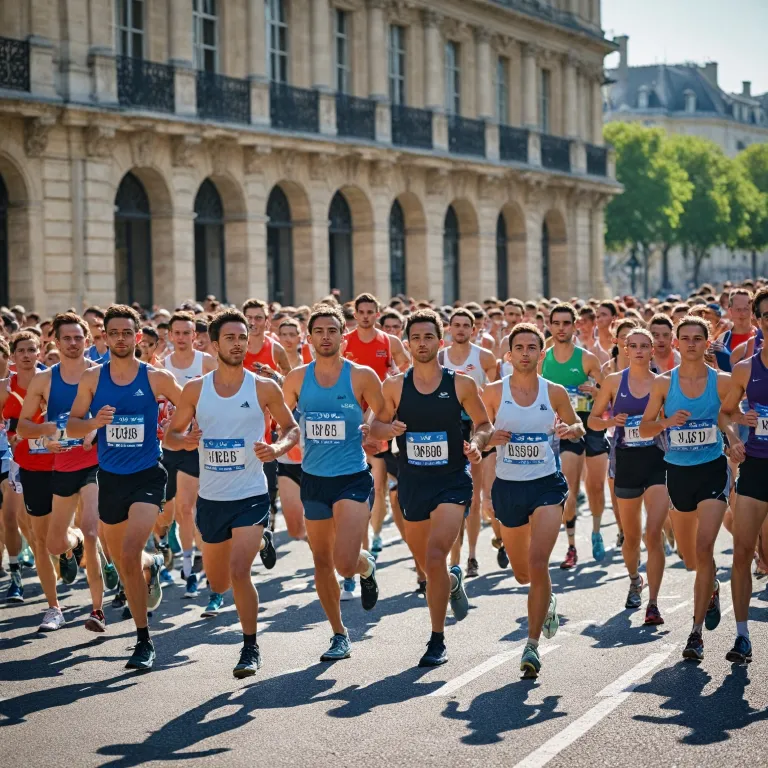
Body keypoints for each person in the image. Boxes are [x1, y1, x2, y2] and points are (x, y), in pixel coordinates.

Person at [164, 309, 299, 677]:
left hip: (251, 492)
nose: (239, 343)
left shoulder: (263, 387)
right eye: (230, 338)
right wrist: (185, 439)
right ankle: (261, 541)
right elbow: (170, 436)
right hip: (212, 498)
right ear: (212, 342)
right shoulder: (195, 389)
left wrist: (277, 449)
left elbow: (291, 429)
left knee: (240, 572)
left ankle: (250, 647)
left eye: (243, 337)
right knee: (219, 582)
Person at [370, 308, 492, 667]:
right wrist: (386, 431)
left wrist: (478, 444)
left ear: (439, 342)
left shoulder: (460, 384)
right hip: (413, 482)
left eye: (428, 337)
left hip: (453, 480)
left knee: (437, 555)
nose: (421, 344)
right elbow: (374, 427)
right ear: (406, 344)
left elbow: (484, 423)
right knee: (427, 564)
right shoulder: (394, 386)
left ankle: (437, 638)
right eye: (415, 338)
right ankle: (450, 583)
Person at [67, 304, 183, 671]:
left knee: (129, 553)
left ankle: (143, 640)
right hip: (110, 480)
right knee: (125, 560)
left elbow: (193, 405)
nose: (120, 338)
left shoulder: (156, 378)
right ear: (104, 337)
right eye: (113, 333)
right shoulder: (91, 378)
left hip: (149, 475)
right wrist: (92, 423)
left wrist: (181, 433)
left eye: (126, 333)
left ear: (138, 336)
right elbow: (71, 426)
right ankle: (152, 567)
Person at [282, 303, 384, 661]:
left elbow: (382, 412)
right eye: (319, 331)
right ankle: (339, 634)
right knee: (322, 562)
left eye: (332, 331)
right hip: (313, 478)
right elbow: (286, 423)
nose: (325, 337)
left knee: (344, 563)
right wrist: (283, 444)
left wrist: (372, 426)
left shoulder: (361, 375)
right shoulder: (295, 378)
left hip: (352, 477)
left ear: (344, 335)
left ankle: (364, 565)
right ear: (309, 338)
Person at [483, 323, 582, 677]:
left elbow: (577, 426)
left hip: (546, 485)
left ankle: (532, 645)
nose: (525, 353)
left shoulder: (552, 392)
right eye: (519, 347)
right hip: (508, 488)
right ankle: (547, 600)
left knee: (539, 563)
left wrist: (570, 429)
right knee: (523, 574)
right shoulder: (494, 392)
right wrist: (488, 438)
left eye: (532, 347)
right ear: (508, 355)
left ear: (542, 354)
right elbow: (478, 435)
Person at [17, 312, 117, 633]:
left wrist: (94, 431)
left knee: (91, 532)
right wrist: (48, 433)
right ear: (55, 342)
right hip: (60, 465)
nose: (73, 344)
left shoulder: (102, 374)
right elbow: (23, 426)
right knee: (52, 544)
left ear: (87, 340)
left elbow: (123, 413)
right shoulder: (45, 380)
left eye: (79, 338)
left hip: (95, 462)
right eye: (67, 339)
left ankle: (97, 610)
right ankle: (70, 546)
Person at [639, 315, 730, 661]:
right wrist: (665, 422)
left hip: (712, 470)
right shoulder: (663, 384)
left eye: (698, 338)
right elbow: (646, 428)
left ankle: (694, 635)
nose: (691, 343)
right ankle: (712, 588)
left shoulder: (720, 382)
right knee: (691, 558)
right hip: (678, 474)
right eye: (685, 338)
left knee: (706, 549)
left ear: (707, 343)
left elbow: (729, 416)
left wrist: (733, 437)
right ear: (676, 344)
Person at [588, 328, 669, 624]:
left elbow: (674, 418)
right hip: (625, 461)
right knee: (632, 536)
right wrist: (611, 419)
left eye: (644, 346)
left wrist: (661, 422)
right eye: (632, 345)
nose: (638, 350)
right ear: (624, 348)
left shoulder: (664, 382)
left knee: (653, 534)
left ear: (652, 350)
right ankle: (635, 578)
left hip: (657, 460)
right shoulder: (612, 382)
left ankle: (654, 603)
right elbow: (593, 422)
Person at [343, 293, 409, 581]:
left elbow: (407, 369)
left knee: (378, 482)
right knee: (359, 479)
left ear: (378, 313)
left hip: (381, 418)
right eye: (362, 311)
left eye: (371, 311)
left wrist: (394, 374)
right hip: (351, 418)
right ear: (355, 314)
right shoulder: (344, 340)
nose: (367, 316)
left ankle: (375, 533)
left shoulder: (389, 342)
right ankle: (360, 535)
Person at [719, 286, 768, 663]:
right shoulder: (746, 368)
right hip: (756, 467)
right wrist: (735, 435)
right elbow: (725, 412)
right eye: (765, 316)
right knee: (742, 552)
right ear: (757, 321)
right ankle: (741, 635)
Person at [540, 303, 606, 568]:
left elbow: (605, 390)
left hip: (590, 424)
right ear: (550, 325)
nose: (561, 328)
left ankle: (597, 531)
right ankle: (571, 546)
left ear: (574, 324)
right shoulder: (543, 358)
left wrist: (594, 390)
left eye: (566, 323)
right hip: (562, 428)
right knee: (569, 484)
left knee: (596, 487)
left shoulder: (587, 358)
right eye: (556, 323)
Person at [0, 331, 58, 628]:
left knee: (64, 531)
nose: (26, 354)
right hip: (22, 464)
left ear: (40, 352)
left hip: (59, 462)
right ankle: (18, 578)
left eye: (31, 349)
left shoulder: (52, 382)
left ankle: (69, 552)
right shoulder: (4, 388)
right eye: (20, 350)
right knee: (21, 523)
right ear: (12, 356)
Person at [159, 311, 217, 599]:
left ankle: (191, 567)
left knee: (186, 507)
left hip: (195, 445)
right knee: (170, 514)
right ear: (170, 335)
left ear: (196, 336)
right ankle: (181, 554)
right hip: (168, 446)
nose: (181, 338)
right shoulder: (161, 365)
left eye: (187, 333)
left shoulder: (206, 362)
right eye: (177, 333)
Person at [439, 308, 496, 578]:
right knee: (449, 494)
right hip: (446, 427)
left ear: (474, 330)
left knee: (472, 496)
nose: (460, 329)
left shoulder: (484, 357)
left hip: (475, 426)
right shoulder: (439, 358)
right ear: (448, 329)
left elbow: (496, 395)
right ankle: (454, 557)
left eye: (466, 325)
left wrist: (482, 396)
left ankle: (471, 555)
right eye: (456, 325)